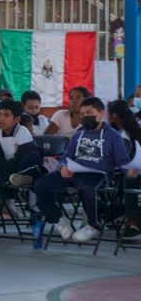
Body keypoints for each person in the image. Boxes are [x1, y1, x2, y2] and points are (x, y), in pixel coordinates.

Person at [35, 97, 133, 243]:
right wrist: (62, 168)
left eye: (89, 112)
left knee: (86, 187)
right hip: (73, 172)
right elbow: (65, 156)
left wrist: (130, 172)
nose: (86, 116)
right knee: (41, 184)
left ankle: (94, 224)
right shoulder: (78, 135)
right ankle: (57, 218)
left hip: (97, 174)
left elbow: (123, 161)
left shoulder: (113, 136)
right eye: (83, 113)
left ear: (101, 113)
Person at [0, 99, 42, 187]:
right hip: (5, 164)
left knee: (31, 157)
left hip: (20, 165)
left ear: (17, 119)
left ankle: (4, 178)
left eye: (6, 115)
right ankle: (13, 178)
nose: (1, 118)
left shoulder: (22, 132)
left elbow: (19, 160)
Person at [108, 99, 141, 236]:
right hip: (132, 170)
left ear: (114, 116)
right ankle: (122, 216)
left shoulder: (123, 134)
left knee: (127, 179)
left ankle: (132, 221)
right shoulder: (126, 130)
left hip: (132, 171)